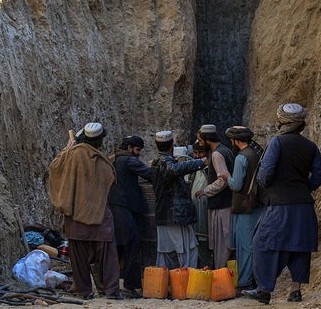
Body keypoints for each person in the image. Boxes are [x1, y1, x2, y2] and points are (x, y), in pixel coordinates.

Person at [242, 103, 321, 304]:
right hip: (304, 206)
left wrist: (269, 186)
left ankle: (264, 290)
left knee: (262, 244)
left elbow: (265, 173)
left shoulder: (277, 142)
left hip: (280, 205)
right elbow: (319, 176)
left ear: (281, 121)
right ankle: (295, 291)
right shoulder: (311, 146)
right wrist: (304, 187)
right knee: (299, 246)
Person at [48, 122, 123, 300]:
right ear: (100, 141)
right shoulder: (103, 161)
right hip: (99, 216)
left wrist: (66, 150)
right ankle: (111, 290)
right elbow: (110, 184)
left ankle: (84, 291)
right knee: (107, 256)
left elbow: (54, 167)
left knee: (78, 258)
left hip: (75, 216)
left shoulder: (70, 155)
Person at [151, 130, 207, 269]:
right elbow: (174, 169)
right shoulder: (164, 161)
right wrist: (200, 162)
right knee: (185, 249)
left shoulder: (157, 162)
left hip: (167, 213)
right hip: (175, 214)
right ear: (171, 146)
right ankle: (185, 282)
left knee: (168, 250)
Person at [221, 126, 265, 293]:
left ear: (235, 140)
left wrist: (226, 177)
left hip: (245, 207)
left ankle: (246, 282)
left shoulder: (241, 158)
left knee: (245, 246)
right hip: (255, 206)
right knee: (253, 244)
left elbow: (236, 184)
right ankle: (254, 280)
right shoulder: (255, 154)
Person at [108, 136, 152, 298]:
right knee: (132, 244)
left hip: (113, 207)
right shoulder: (129, 160)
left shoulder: (112, 159)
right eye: (137, 150)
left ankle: (107, 283)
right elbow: (149, 174)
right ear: (130, 147)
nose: (138, 154)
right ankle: (130, 285)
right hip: (124, 207)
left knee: (117, 246)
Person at [195, 124, 234, 269]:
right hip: (224, 203)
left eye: (200, 141)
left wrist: (205, 190)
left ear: (207, 140)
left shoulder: (217, 154)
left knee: (222, 244)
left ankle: (220, 278)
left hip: (221, 205)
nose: (199, 144)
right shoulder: (226, 150)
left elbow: (223, 179)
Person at [190, 141, 213, 268]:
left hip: (205, 217)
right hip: (194, 217)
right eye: (195, 153)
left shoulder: (211, 170)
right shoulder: (192, 169)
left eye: (201, 152)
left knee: (205, 248)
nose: (197, 156)